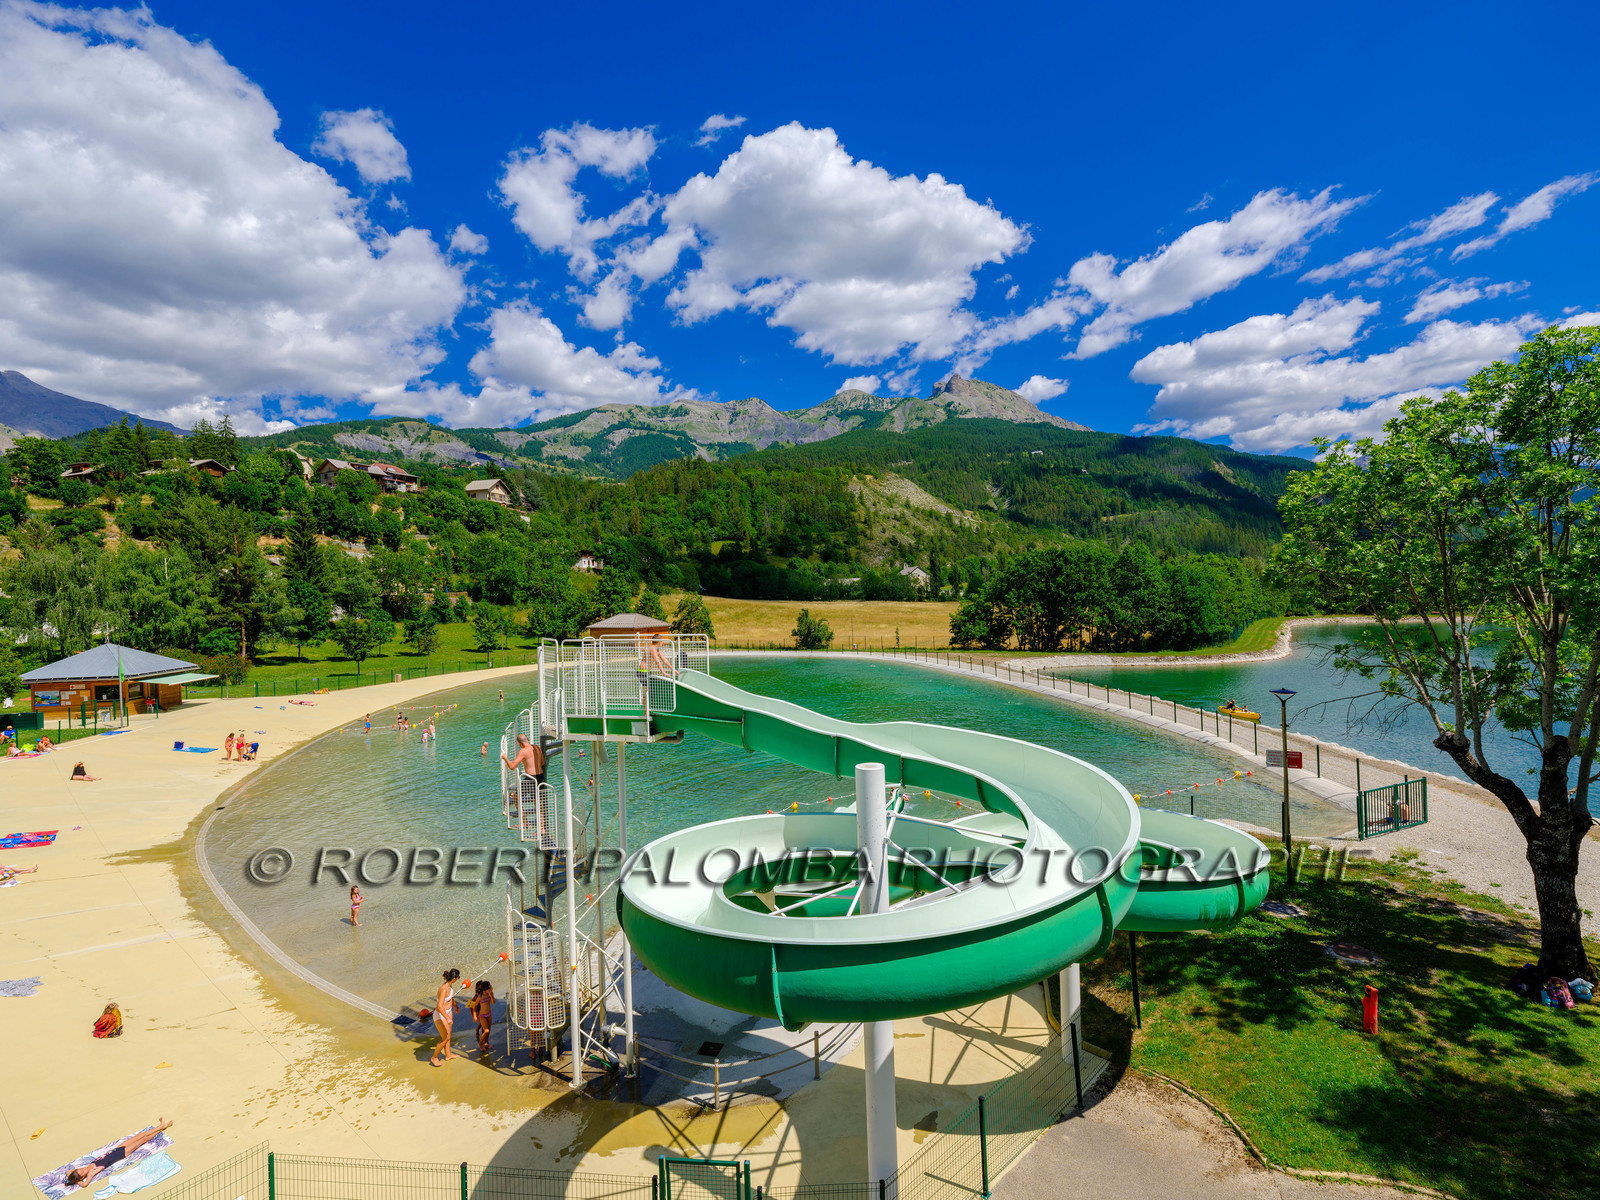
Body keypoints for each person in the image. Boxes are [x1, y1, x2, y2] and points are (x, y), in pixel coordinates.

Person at [63, 1119, 173, 1187]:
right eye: (82, 1172)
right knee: (143, 1139)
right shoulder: (91, 1173)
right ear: (82, 1177)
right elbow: (85, 1184)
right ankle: (161, 1126)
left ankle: (163, 1126)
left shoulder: (81, 1171)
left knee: (139, 1136)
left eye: (79, 1169)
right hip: (122, 1154)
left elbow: (69, 1172)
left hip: (116, 1149)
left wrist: (71, 1180)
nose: (83, 1169)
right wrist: (78, 1181)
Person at [430, 968, 462, 1066]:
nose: (458, 979)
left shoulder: (450, 985)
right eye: (458, 977)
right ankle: (434, 1057)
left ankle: (448, 1055)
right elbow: (439, 1006)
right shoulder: (443, 988)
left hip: (448, 1012)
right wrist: (447, 1018)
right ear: (455, 978)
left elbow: (450, 998)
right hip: (440, 1015)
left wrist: (455, 1006)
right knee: (445, 1038)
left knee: (448, 1035)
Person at [470, 979, 495, 1056]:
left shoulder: (490, 994)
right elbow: (473, 1006)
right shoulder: (480, 997)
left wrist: (491, 995)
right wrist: (474, 1016)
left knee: (488, 1030)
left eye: (490, 987)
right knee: (486, 1031)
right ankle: (480, 1044)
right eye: (488, 988)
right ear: (484, 989)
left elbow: (493, 1002)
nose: (490, 989)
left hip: (489, 1014)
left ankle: (486, 1043)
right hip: (482, 1016)